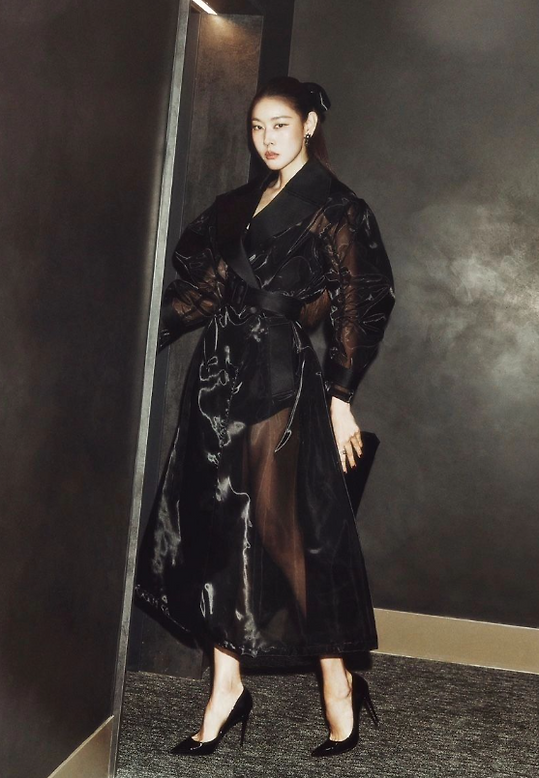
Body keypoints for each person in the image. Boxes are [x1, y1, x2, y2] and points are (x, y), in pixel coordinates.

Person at [135, 76, 395, 758]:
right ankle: (226, 685)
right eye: (257, 127)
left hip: (279, 378)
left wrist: (341, 398)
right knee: (217, 523)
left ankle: (337, 678)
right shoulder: (237, 205)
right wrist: (135, 336)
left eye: (280, 124)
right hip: (216, 377)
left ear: (309, 125)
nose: (267, 139)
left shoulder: (337, 207)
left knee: (285, 530)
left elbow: (360, 301)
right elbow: (202, 292)